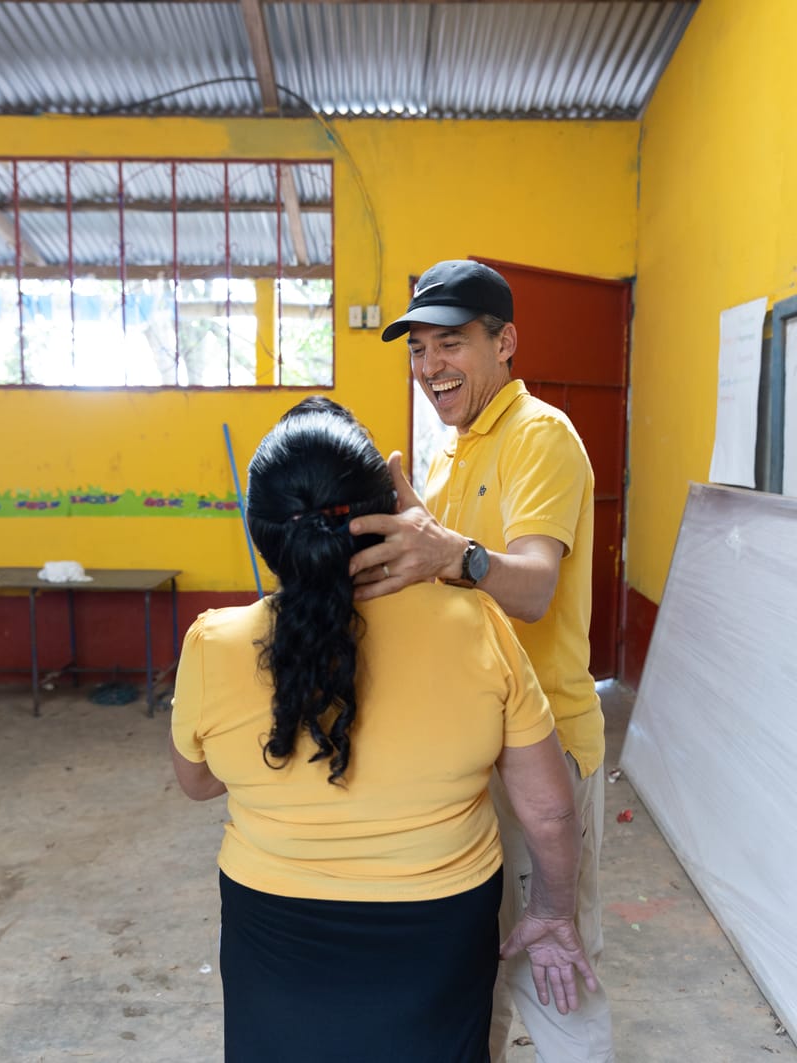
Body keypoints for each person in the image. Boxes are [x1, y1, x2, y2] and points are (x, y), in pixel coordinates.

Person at [169, 399, 597, 1063]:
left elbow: (196, 783)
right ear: (387, 513)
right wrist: (550, 912)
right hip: (440, 923)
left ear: (265, 531)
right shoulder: (475, 623)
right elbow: (547, 813)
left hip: (274, 926)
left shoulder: (214, 643)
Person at [349, 260, 615, 1063]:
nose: (431, 367)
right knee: (480, 963)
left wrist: (449, 550)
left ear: (505, 343)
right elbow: (452, 588)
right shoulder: (448, 452)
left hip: (547, 746)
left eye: (451, 344)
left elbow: (530, 585)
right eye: (418, 349)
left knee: (555, 961)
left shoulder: (539, 435)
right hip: (470, 751)